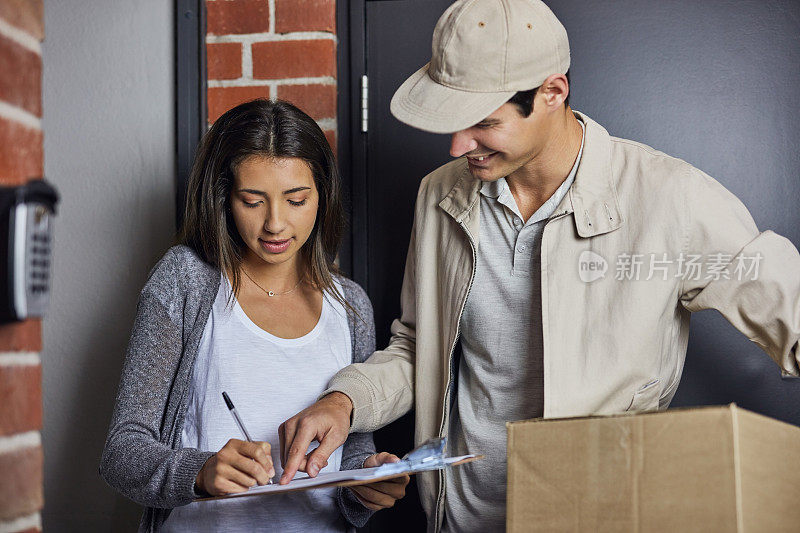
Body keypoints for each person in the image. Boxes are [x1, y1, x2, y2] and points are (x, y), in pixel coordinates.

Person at [277, 0, 800, 531]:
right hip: (459, 519)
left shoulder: (669, 197)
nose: (459, 146)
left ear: (552, 92)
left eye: (483, 123)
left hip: (602, 518)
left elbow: (791, 309)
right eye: (453, 124)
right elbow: (419, 348)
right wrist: (346, 400)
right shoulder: (438, 194)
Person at [99, 99, 409, 532]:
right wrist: (201, 473)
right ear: (224, 197)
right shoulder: (185, 281)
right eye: (252, 201)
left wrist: (365, 486)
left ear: (322, 196)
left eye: (296, 200)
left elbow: (350, 456)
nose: (276, 224)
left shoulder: (351, 306)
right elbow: (122, 453)